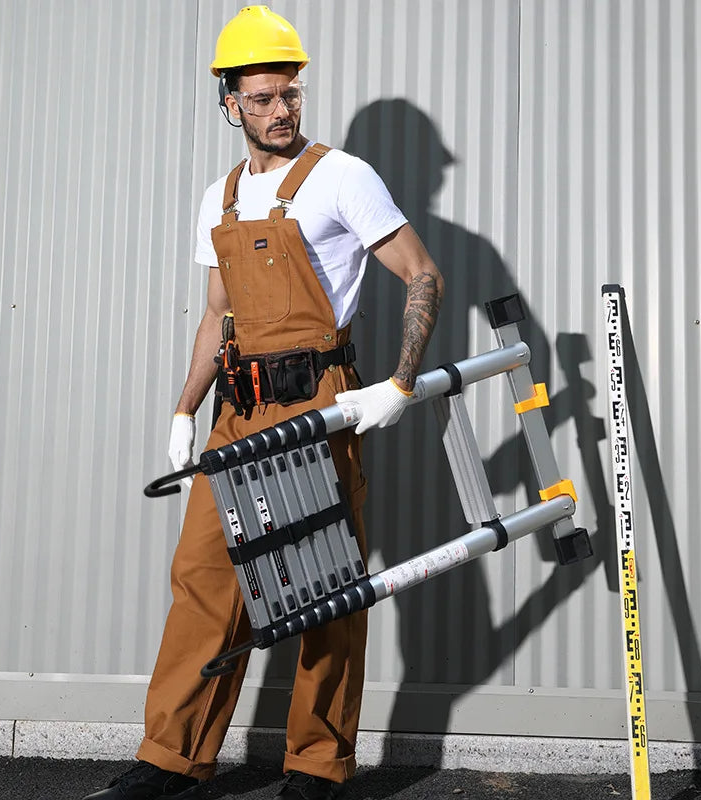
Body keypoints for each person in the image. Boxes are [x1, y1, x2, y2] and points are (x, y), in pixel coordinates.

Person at [82, 6, 443, 800]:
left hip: (317, 401)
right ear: (229, 103)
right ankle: (170, 758)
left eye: (292, 93)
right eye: (265, 97)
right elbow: (218, 316)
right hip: (237, 411)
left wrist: (400, 383)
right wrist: (184, 411)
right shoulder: (216, 197)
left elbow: (422, 274)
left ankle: (316, 766)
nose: (283, 110)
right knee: (205, 579)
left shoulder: (343, 176)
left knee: (322, 588)